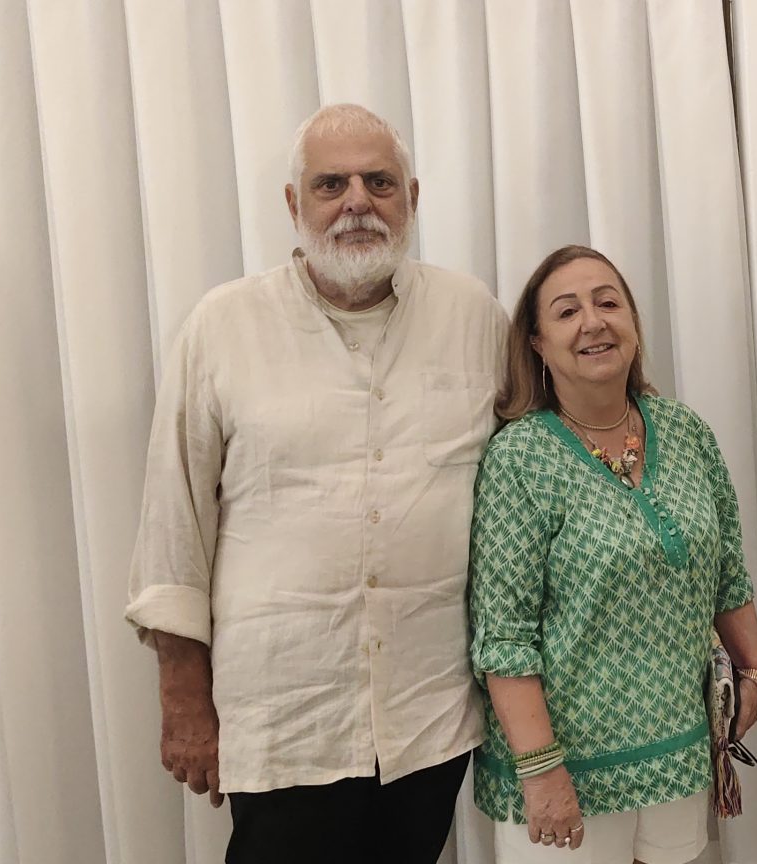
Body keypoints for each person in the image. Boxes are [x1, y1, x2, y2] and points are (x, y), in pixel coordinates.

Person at [124, 103, 508, 863]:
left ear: (412, 198)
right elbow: (175, 519)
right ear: (293, 203)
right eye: (332, 184)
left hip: (426, 710)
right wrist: (182, 696)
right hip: (285, 711)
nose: (358, 202)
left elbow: (529, 479)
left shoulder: (473, 316)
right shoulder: (223, 325)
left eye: (379, 182)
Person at [468, 245, 757, 864]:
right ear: (537, 344)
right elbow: (503, 638)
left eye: (608, 303)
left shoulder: (685, 432)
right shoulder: (520, 458)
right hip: (565, 771)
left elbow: (727, 575)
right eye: (567, 311)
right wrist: (542, 772)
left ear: (632, 322)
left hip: (678, 754)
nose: (593, 322)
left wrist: (755, 673)